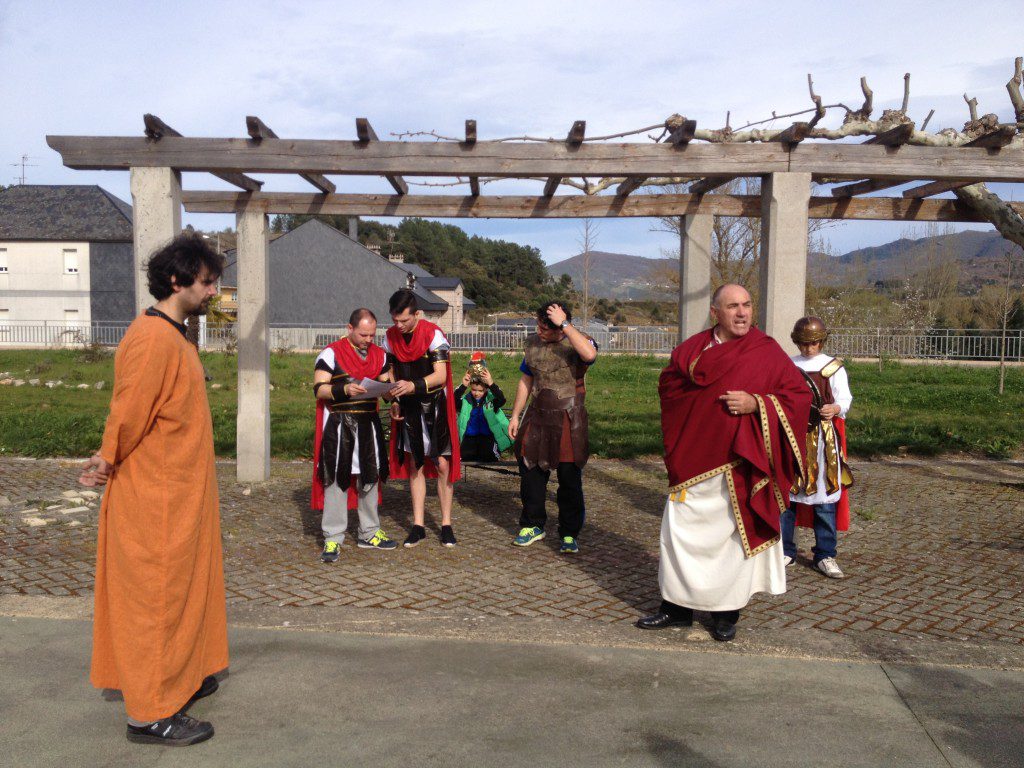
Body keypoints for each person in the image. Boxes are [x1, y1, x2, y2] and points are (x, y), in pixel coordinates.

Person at [78, 233, 227, 746]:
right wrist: (106, 457)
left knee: (187, 587)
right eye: (207, 282)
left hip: (181, 491)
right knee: (156, 597)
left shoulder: (175, 335)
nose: (213, 292)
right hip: (155, 497)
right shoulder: (152, 338)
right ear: (177, 280)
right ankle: (150, 714)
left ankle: (181, 675)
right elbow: (128, 411)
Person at [636, 284, 810, 642]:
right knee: (681, 536)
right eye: (733, 306)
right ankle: (677, 609)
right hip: (691, 460)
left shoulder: (766, 351)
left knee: (732, 544)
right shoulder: (692, 351)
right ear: (715, 312)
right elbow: (670, 389)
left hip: (740, 464)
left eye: (746, 305)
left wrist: (757, 403)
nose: (742, 313)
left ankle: (726, 614)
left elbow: (798, 396)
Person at [508, 301, 598, 554]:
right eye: (538, 326)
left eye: (545, 328)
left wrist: (565, 324)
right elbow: (526, 381)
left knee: (569, 477)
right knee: (531, 472)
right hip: (537, 415)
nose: (539, 331)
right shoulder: (533, 345)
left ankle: (569, 532)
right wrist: (515, 416)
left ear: (560, 327)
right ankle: (533, 525)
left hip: (569, 417)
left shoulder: (579, 341)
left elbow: (590, 355)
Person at [311, 308, 397, 562]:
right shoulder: (330, 353)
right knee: (337, 477)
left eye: (372, 335)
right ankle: (333, 537)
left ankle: (369, 532)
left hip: (369, 423)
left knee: (370, 474)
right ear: (350, 329)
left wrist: (391, 395)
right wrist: (345, 389)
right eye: (363, 335)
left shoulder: (380, 355)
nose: (368, 340)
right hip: (340, 422)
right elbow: (319, 389)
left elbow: (385, 386)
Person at [383, 289, 461, 547]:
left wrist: (413, 385)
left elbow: (440, 376)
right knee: (415, 463)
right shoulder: (390, 337)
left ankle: (446, 524)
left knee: (442, 464)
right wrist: (395, 400)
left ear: (416, 314)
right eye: (395, 320)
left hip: (434, 406)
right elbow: (390, 370)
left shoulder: (433, 335)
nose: (399, 325)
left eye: (404, 320)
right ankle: (418, 525)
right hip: (409, 407)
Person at [782, 316, 853, 578]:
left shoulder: (832, 367)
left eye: (813, 343)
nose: (808, 348)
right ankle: (785, 551)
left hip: (823, 442)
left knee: (824, 499)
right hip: (793, 438)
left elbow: (844, 399)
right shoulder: (788, 365)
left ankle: (825, 554)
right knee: (788, 496)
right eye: (803, 343)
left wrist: (835, 407)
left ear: (821, 342)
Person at [455, 364, 511, 462]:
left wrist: (491, 383)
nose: (477, 393)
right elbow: (453, 401)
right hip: (469, 437)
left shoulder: (491, 401)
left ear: (486, 389)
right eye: (474, 390)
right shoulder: (465, 401)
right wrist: (463, 386)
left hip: (487, 437)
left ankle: (493, 452)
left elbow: (501, 399)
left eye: (480, 391)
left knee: (489, 457)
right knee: (465, 457)